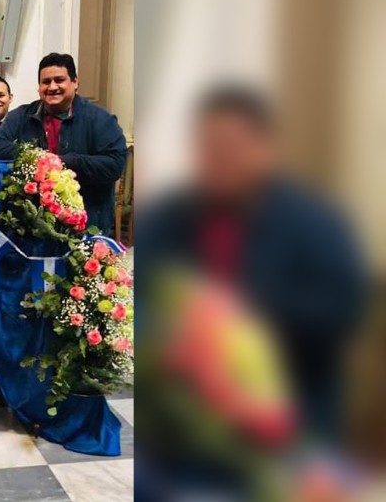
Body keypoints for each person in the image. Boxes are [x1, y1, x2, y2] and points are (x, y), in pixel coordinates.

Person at [137, 85, 368, 499]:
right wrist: (177, 336)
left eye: (233, 148)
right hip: (183, 420)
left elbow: (346, 307)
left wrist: (243, 319)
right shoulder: (172, 216)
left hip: (292, 413)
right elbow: (141, 297)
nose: (220, 160)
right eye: (209, 148)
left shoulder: (312, 219)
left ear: (266, 149)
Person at [0, 52, 126, 233]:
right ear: (39, 87)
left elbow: (115, 164)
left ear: (75, 82)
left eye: (59, 80)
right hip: (34, 227)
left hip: (87, 225)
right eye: (46, 82)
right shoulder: (22, 115)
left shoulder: (100, 119)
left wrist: (66, 162)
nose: (52, 87)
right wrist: (39, 159)